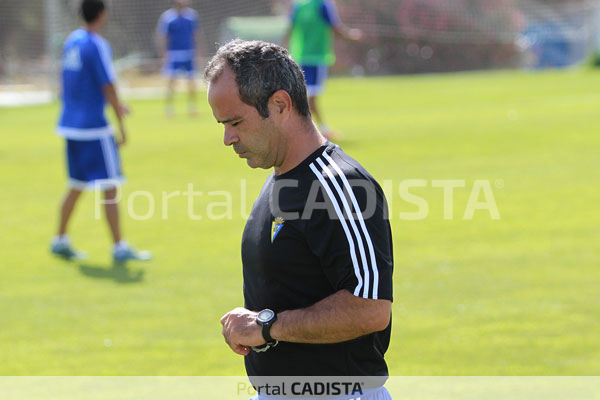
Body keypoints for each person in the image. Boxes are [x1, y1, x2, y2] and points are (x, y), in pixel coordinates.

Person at [206, 40, 393, 399]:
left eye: (235, 122)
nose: (228, 138)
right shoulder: (281, 177)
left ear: (279, 104)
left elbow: (370, 309)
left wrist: (266, 325)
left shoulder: (341, 185)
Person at [51, 0, 151, 263]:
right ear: (103, 14)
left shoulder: (72, 40)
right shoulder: (97, 43)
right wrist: (121, 124)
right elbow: (108, 85)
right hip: (94, 128)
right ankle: (119, 247)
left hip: (70, 124)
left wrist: (118, 106)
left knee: (75, 185)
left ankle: (59, 240)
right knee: (110, 186)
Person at [285, 0, 363, 140]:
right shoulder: (322, 5)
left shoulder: (298, 6)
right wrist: (352, 35)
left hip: (299, 57)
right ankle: (317, 131)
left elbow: (289, 30)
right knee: (310, 98)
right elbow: (335, 27)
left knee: (303, 96)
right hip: (316, 58)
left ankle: (310, 130)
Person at [156, 0, 201, 117]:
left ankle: (192, 107)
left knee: (191, 82)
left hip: (188, 53)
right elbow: (164, 37)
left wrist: (198, 53)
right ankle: (169, 108)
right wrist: (163, 55)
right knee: (171, 82)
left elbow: (196, 35)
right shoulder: (167, 18)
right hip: (174, 54)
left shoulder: (192, 16)